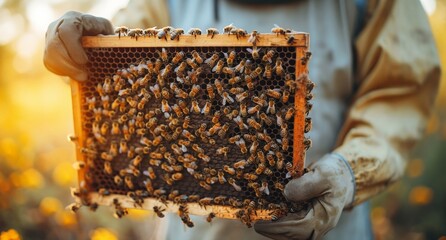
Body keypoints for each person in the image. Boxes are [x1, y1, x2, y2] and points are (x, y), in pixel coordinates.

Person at [44, 0, 440, 239]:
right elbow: (124, 57)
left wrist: (351, 171)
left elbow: (399, 92)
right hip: (194, 230)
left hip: (334, 230)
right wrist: (89, 47)